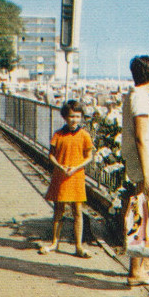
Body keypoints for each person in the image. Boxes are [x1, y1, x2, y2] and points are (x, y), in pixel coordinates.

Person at [122, 55, 149, 286]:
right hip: (146, 166)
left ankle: (145, 261)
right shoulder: (139, 99)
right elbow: (140, 138)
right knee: (144, 214)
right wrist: (147, 177)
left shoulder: (139, 97)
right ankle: (135, 271)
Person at [38, 100, 95, 257]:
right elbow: (51, 154)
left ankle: (78, 246)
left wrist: (76, 167)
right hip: (61, 176)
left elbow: (89, 156)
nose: (74, 120)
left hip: (76, 176)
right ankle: (54, 242)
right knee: (58, 210)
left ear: (81, 117)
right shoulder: (58, 134)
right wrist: (60, 166)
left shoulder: (84, 135)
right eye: (71, 116)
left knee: (77, 211)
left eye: (77, 116)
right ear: (65, 117)